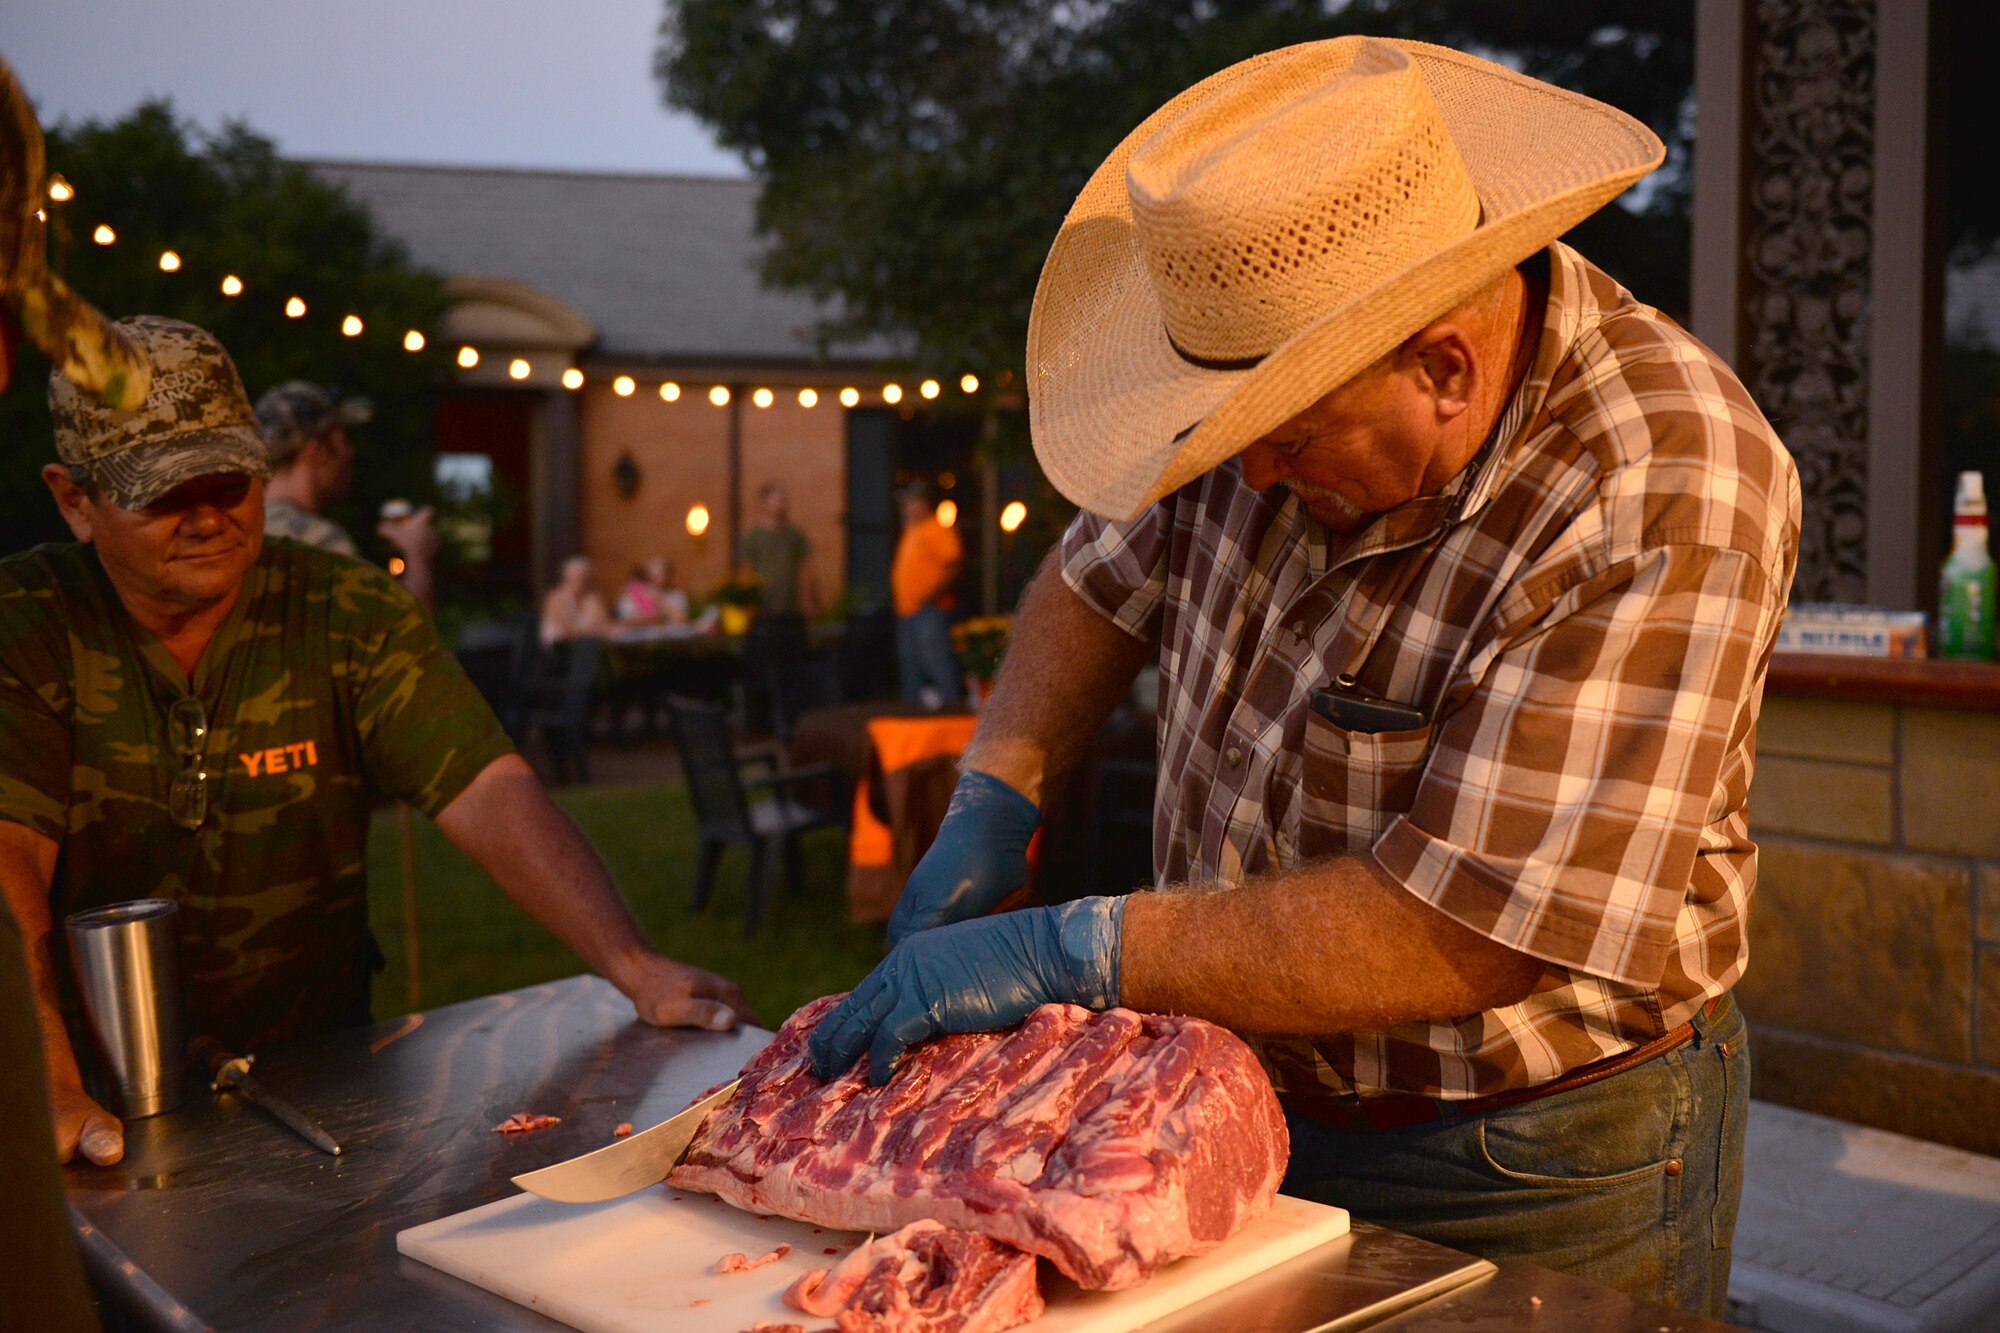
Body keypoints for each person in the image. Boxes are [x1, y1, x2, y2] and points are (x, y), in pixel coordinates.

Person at [807, 39, 1800, 1319]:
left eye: (1283, 437)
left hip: (1527, 1148)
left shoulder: (1662, 487)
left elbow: (1462, 928)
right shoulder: (1260, 408)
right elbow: (1094, 578)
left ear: (1442, 368)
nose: (1253, 479)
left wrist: (1080, 947)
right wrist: (994, 790)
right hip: (1231, 1087)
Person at [0, 317, 752, 1170]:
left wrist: (634, 963)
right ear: (74, 500)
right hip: (87, 1086)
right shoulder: (28, 623)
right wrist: (44, 1080)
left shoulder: (343, 609)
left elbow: (487, 788)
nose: (208, 516)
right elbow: (8, 860)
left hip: (318, 1073)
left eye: (232, 480)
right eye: (165, 492)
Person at [256, 379, 440, 612]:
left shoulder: (244, 527)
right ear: (319, 450)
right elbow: (403, 633)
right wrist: (417, 553)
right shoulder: (316, 541)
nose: (350, 453)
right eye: (344, 440)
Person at [890, 482, 964, 707]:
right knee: (911, 668)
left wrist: (931, 596)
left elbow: (954, 565)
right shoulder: (912, 530)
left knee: (937, 663)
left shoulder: (938, 529)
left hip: (929, 610)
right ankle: (912, 720)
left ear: (923, 503)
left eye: (911, 502)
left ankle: (951, 712)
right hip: (907, 611)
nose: (906, 507)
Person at [737, 481, 821, 616]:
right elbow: (746, 573)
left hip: (790, 607)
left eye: (784, 500)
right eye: (776, 500)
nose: (781, 504)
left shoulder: (794, 535)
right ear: (763, 502)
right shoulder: (752, 537)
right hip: (761, 609)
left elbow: (806, 570)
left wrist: (810, 603)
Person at [540, 554, 614, 645]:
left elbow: (605, 624)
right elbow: (566, 629)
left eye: (584, 578)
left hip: (587, 645)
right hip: (559, 648)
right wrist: (594, 632)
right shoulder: (555, 598)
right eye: (575, 578)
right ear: (566, 578)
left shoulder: (594, 598)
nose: (581, 583)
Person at [617, 555, 691, 627]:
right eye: (651, 572)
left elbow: (683, 620)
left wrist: (660, 600)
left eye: (660, 573)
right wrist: (655, 618)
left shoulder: (676, 595)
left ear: (669, 576)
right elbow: (626, 620)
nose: (654, 576)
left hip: (672, 638)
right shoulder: (631, 595)